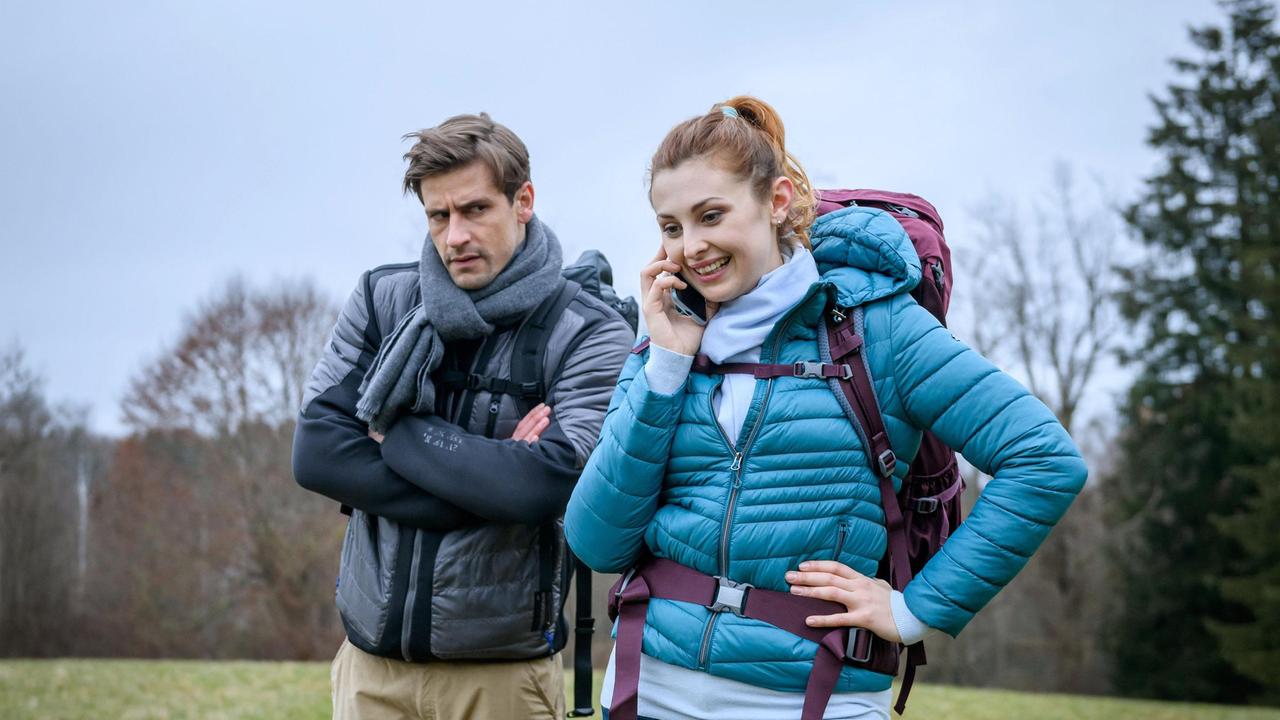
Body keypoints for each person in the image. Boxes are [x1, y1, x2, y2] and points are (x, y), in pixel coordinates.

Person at [564, 96, 1088, 720]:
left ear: (776, 201)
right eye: (672, 227)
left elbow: (1044, 459)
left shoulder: (879, 330)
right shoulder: (664, 345)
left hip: (815, 697)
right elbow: (596, 542)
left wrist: (915, 609)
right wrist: (667, 369)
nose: (692, 247)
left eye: (711, 215)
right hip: (648, 691)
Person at [293, 112, 635, 720]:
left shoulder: (588, 329)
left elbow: (546, 484)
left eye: (475, 210)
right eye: (437, 215)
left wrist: (391, 431)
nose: (454, 237)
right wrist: (486, 485)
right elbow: (318, 453)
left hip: (500, 679)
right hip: (370, 671)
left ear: (522, 201)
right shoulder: (383, 298)